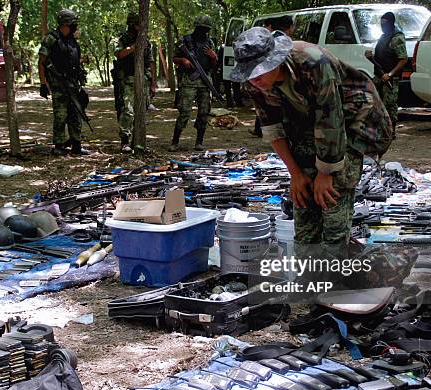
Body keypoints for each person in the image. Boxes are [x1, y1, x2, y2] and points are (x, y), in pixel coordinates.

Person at [231, 28, 392, 258]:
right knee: (304, 204)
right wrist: (295, 173)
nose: (254, 79)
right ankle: (309, 281)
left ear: (276, 60)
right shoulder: (254, 83)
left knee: (332, 197)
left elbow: (331, 121)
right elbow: (272, 128)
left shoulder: (314, 63)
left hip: (352, 119)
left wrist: (326, 173)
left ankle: (334, 279)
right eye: (249, 73)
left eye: (259, 71)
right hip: (306, 123)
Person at [38, 9, 89, 156]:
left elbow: (71, 60)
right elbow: (42, 62)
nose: (75, 26)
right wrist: (43, 83)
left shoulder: (72, 39)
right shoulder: (51, 39)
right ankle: (58, 145)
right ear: (65, 24)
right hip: (58, 84)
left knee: (76, 114)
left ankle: (76, 145)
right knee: (60, 115)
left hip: (74, 83)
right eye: (73, 23)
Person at [170, 15, 217, 152]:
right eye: (202, 28)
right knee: (184, 112)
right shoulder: (185, 41)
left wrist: (214, 57)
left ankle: (199, 142)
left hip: (204, 81)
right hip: (189, 81)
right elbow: (174, 58)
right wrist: (183, 61)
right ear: (196, 27)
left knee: (204, 112)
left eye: (206, 29)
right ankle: (175, 141)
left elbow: (214, 65)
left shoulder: (210, 43)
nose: (204, 31)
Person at [114, 12, 156, 153]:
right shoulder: (122, 38)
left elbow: (150, 62)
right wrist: (134, 47)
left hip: (143, 80)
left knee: (141, 112)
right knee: (128, 111)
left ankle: (137, 142)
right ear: (132, 25)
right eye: (137, 25)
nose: (139, 28)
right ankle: (124, 141)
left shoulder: (146, 40)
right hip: (127, 80)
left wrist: (153, 83)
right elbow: (119, 54)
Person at [364, 12, 407, 140]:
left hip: (390, 78)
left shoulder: (397, 38)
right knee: (376, 103)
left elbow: (403, 59)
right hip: (379, 76)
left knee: (390, 104)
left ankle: (391, 131)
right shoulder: (383, 37)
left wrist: (390, 74)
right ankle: (379, 129)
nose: (383, 26)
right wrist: (370, 57)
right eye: (381, 23)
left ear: (390, 23)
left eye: (385, 24)